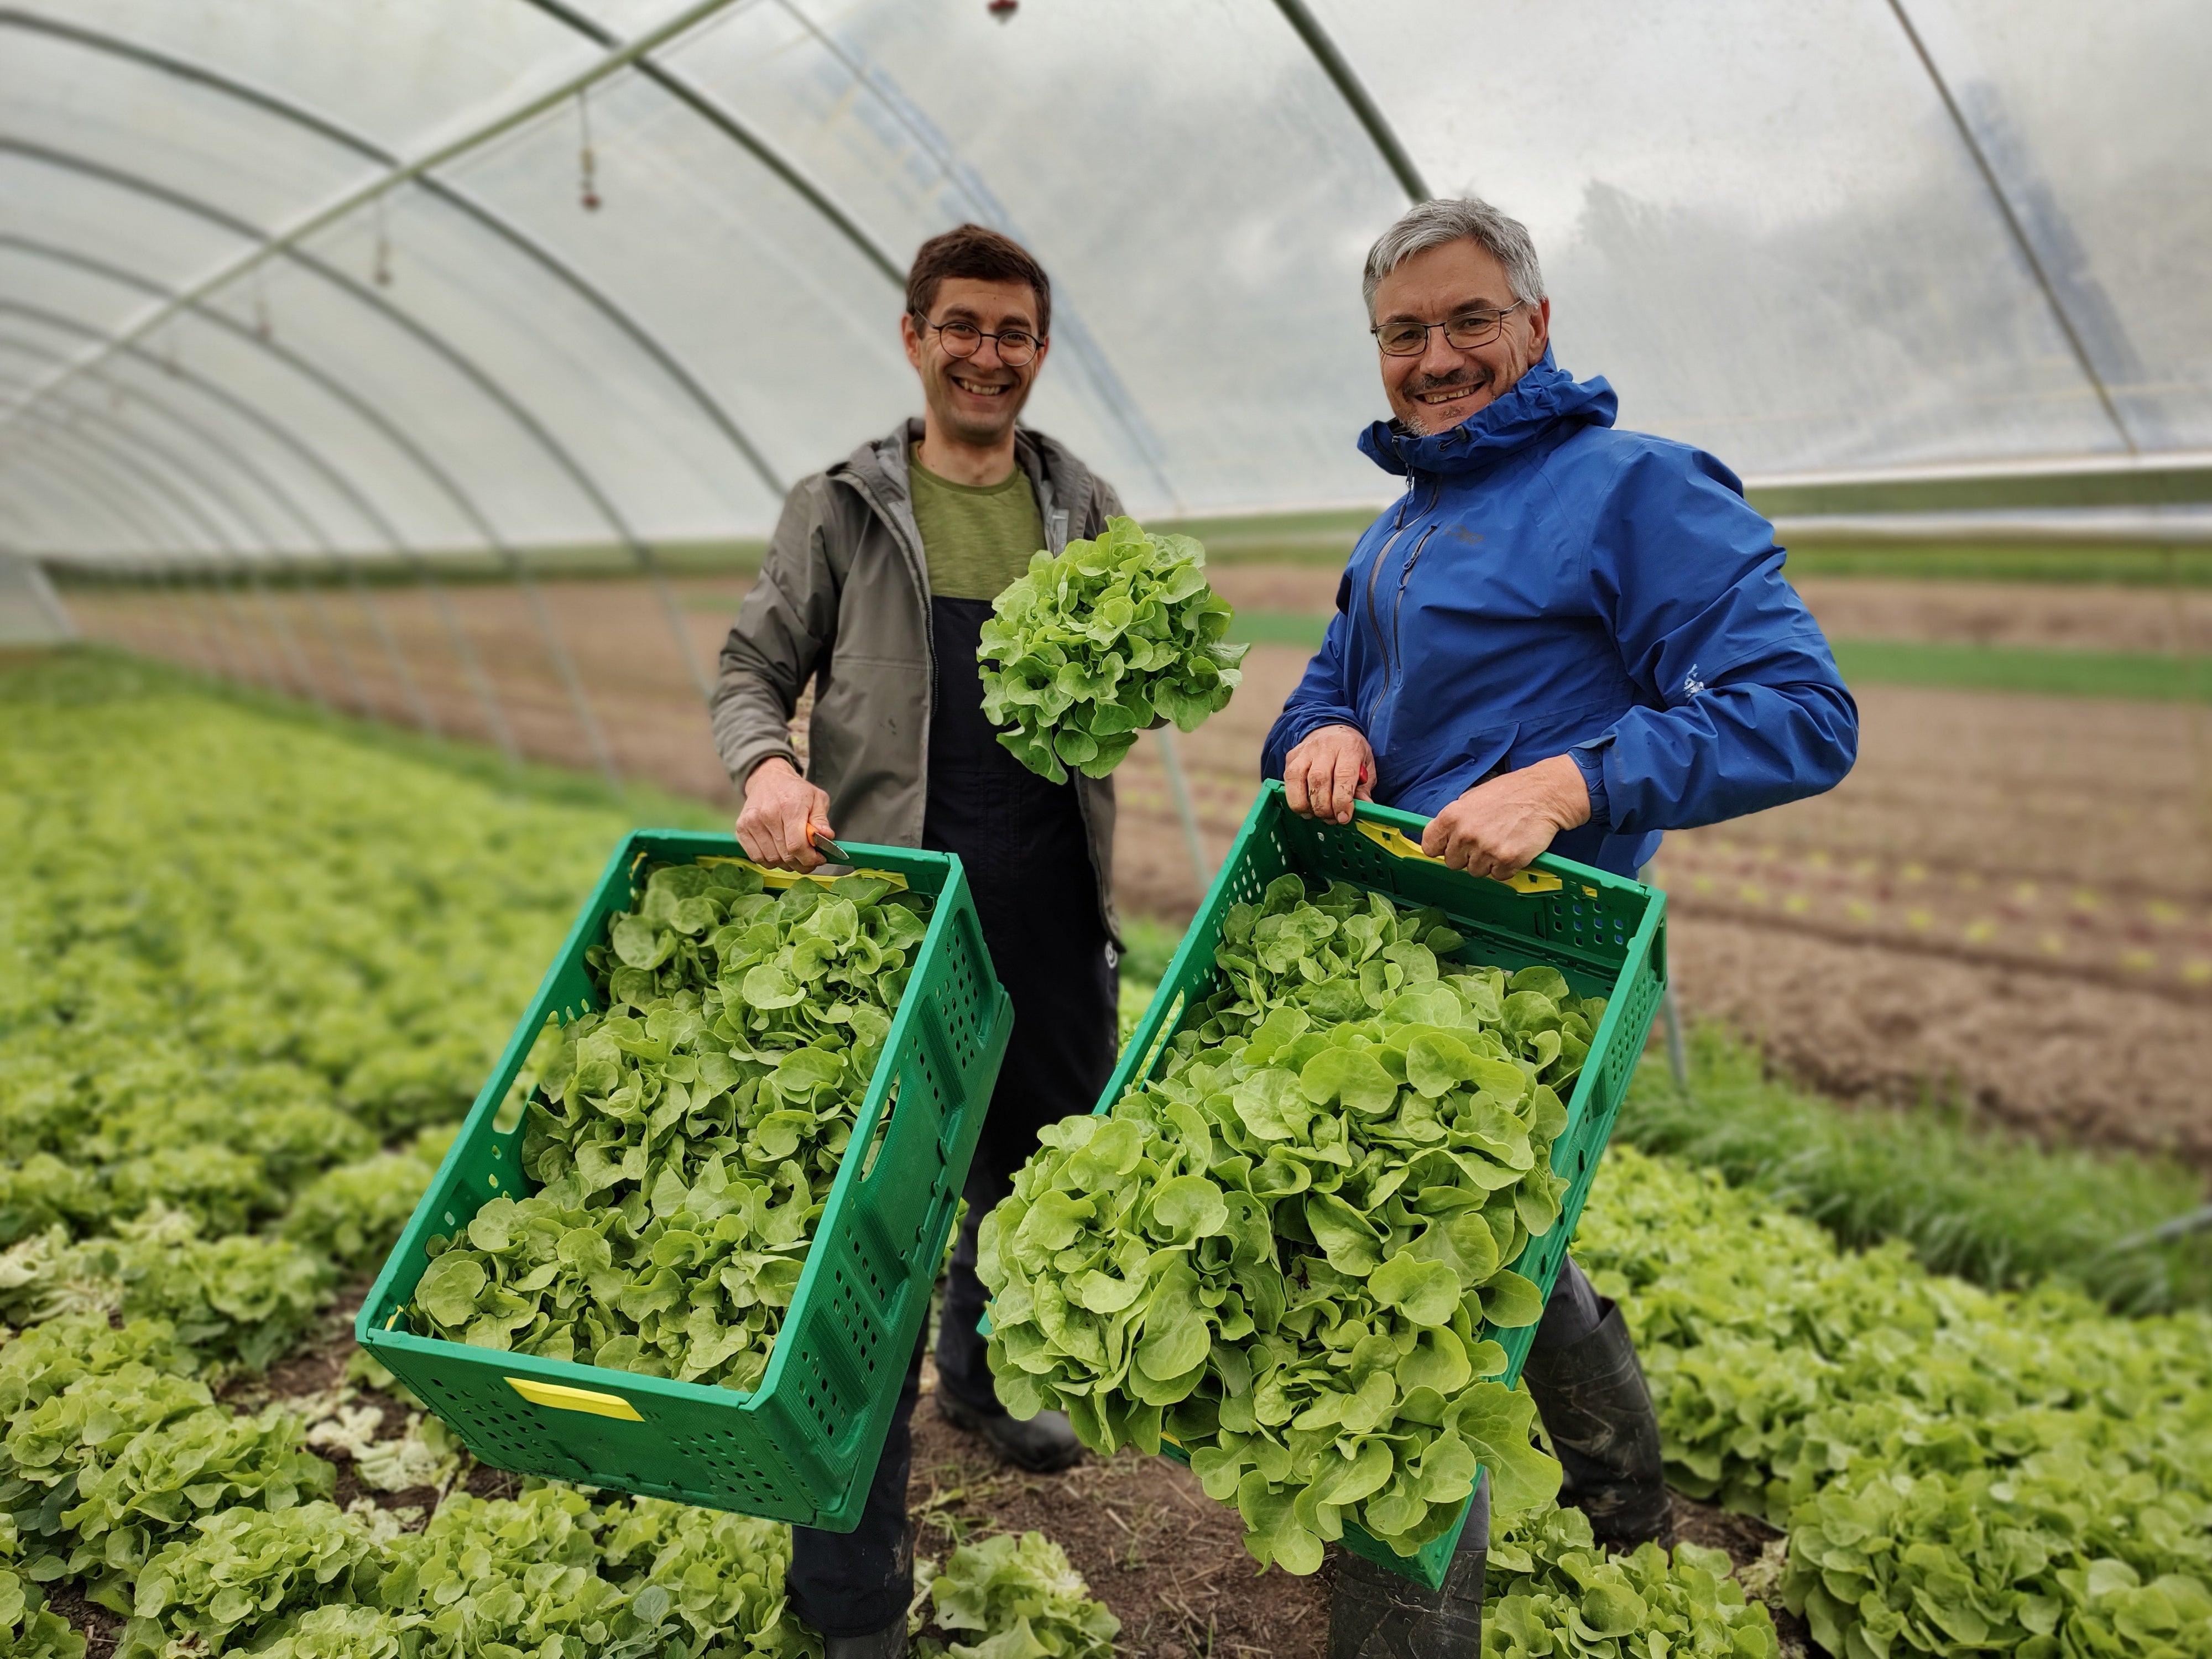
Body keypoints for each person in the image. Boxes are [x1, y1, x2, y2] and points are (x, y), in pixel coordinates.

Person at [1262, 197, 1859, 1657]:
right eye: (1404, 333)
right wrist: (1322, 734)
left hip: (1530, 981)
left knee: (1405, 1334)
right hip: (1389, 966)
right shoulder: (1400, 526)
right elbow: (1333, 681)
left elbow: (1802, 713)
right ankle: (1625, 1507)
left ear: (1536, 323)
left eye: (1471, 320)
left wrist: (1573, 779)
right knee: (1496, 1260)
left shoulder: (1634, 489)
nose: (1437, 358)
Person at [709, 224, 1124, 1659]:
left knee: (1028, 1186)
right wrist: (769, 767)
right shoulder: (841, 509)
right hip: (894, 922)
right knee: (872, 1245)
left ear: (1040, 350)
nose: (987, 356)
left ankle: (988, 1385)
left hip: (1052, 917)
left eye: (1014, 333)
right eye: (962, 327)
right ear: (914, 337)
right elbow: (752, 669)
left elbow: (1122, 691)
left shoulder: (1085, 508)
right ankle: (851, 1599)